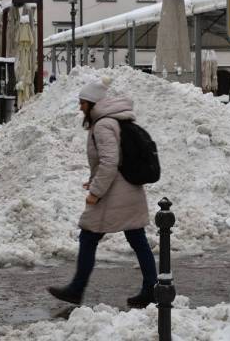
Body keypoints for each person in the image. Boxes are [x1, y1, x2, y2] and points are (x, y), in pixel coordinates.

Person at [48, 77, 158, 308]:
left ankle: (77, 289)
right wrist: (94, 180)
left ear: (92, 104)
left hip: (114, 194)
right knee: (136, 238)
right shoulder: (112, 122)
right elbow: (109, 162)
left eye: (82, 103)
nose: (80, 107)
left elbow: (109, 162)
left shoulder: (103, 125)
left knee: (88, 236)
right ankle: (152, 288)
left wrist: (96, 192)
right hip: (126, 190)